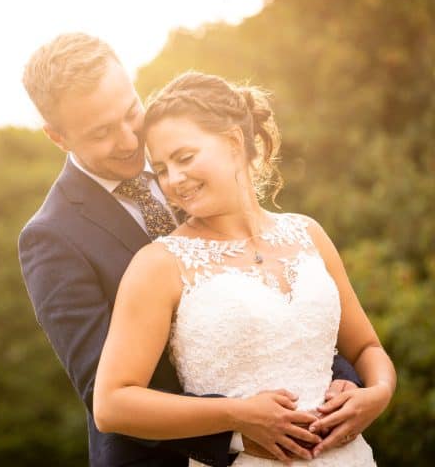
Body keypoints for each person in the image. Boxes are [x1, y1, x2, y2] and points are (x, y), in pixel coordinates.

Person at [18, 32, 363, 467]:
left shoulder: (196, 159)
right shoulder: (51, 237)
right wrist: (238, 430)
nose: (128, 140)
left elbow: (280, 295)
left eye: (131, 113)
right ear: (57, 137)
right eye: (102, 132)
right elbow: (104, 389)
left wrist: (336, 384)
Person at [92, 70, 396, 466]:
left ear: (235, 143)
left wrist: (378, 393)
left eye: (184, 158)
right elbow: (112, 405)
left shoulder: (309, 234)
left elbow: (366, 347)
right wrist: (235, 415)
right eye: (162, 168)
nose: (173, 180)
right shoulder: (159, 264)